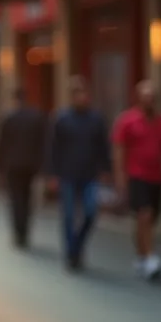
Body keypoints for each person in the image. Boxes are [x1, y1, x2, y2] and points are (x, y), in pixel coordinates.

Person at [113, 80, 161, 280]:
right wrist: (120, 178)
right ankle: (151, 258)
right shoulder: (127, 121)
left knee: (150, 219)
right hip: (136, 176)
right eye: (146, 96)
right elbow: (119, 150)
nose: (149, 100)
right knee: (145, 215)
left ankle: (142, 255)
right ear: (139, 98)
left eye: (152, 97)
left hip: (156, 177)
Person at [46, 76, 112, 271]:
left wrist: (106, 170)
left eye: (84, 94)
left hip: (90, 174)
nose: (82, 98)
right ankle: (71, 253)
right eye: (78, 94)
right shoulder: (61, 118)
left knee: (91, 212)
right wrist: (52, 175)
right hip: (67, 174)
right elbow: (53, 149)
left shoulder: (96, 119)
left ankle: (78, 244)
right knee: (68, 215)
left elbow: (103, 146)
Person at [0, 88, 49, 249]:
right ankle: (24, 230)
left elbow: (1, 145)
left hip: (13, 165)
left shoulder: (8, 118)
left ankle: (19, 231)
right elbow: (43, 143)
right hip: (30, 165)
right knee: (26, 198)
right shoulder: (36, 117)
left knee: (16, 199)